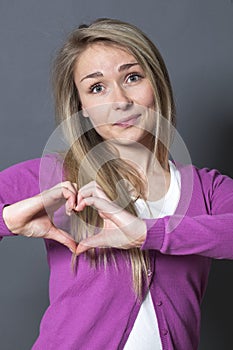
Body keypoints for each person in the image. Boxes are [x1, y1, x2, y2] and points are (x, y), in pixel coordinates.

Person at [0, 18, 233, 350]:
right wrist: (7, 220)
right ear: (82, 108)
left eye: (133, 77)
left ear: (158, 83)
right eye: (97, 87)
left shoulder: (206, 188)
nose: (120, 100)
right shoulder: (60, 176)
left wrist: (148, 234)